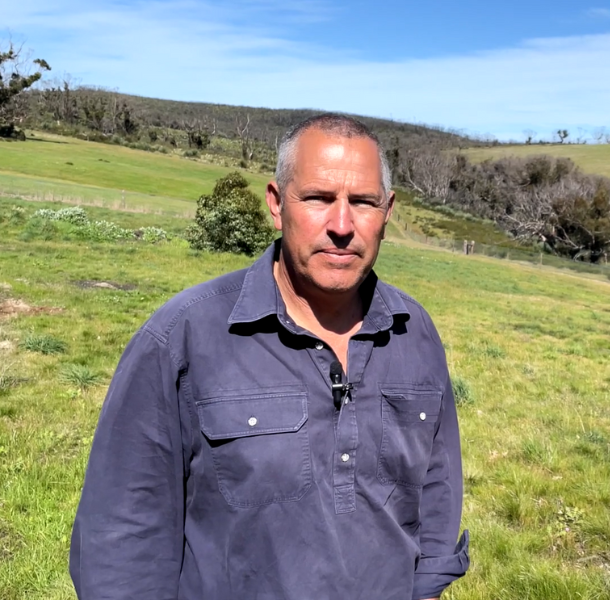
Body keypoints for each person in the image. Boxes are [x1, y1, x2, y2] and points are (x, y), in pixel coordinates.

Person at [69, 114, 469, 600]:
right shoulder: (185, 336)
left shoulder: (415, 331)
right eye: (319, 198)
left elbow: (437, 490)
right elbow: (121, 536)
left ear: (387, 211)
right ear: (277, 206)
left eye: (362, 202)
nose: (341, 225)